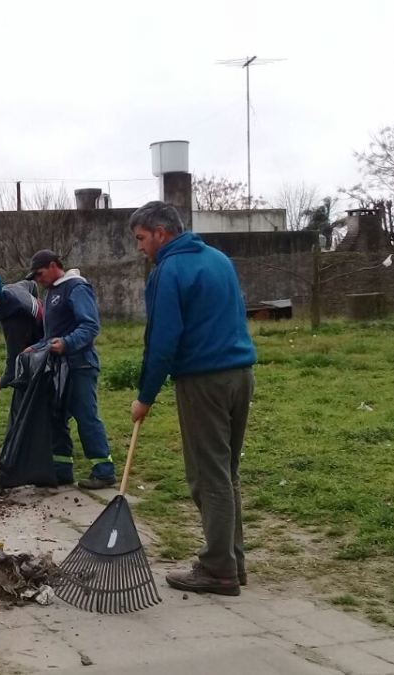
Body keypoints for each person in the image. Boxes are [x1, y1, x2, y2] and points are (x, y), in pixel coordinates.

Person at [128, 201, 257, 596]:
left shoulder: (168, 271)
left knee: (207, 476)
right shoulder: (219, 259)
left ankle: (218, 570)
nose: (140, 248)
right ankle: (233, 562)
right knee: (227, 472)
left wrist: (145, 397)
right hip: (241, 375)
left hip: (204, 382)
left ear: (161, 233)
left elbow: (162, 340)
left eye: (141, 239)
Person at [23, 250, 117, 490]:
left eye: (40, 273)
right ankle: (62, 469)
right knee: (58, 418)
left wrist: (67, 344)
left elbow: (90, 325)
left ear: (54, 266)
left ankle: (104, 470)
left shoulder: (76, 288)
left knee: (86, 417)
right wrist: (35, 348)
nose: (38, 279)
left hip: (80, 365)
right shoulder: (53, 292)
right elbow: (51, 335)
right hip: (59, 368)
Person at [0, 273, 43, 446]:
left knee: (24, 394)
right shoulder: (13, 288)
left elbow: (13, 356)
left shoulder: (13, 318)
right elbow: (32, 285)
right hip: (32, 341)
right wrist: (35, 301)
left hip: (41, 341)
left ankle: (19, 446)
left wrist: (4, 380)